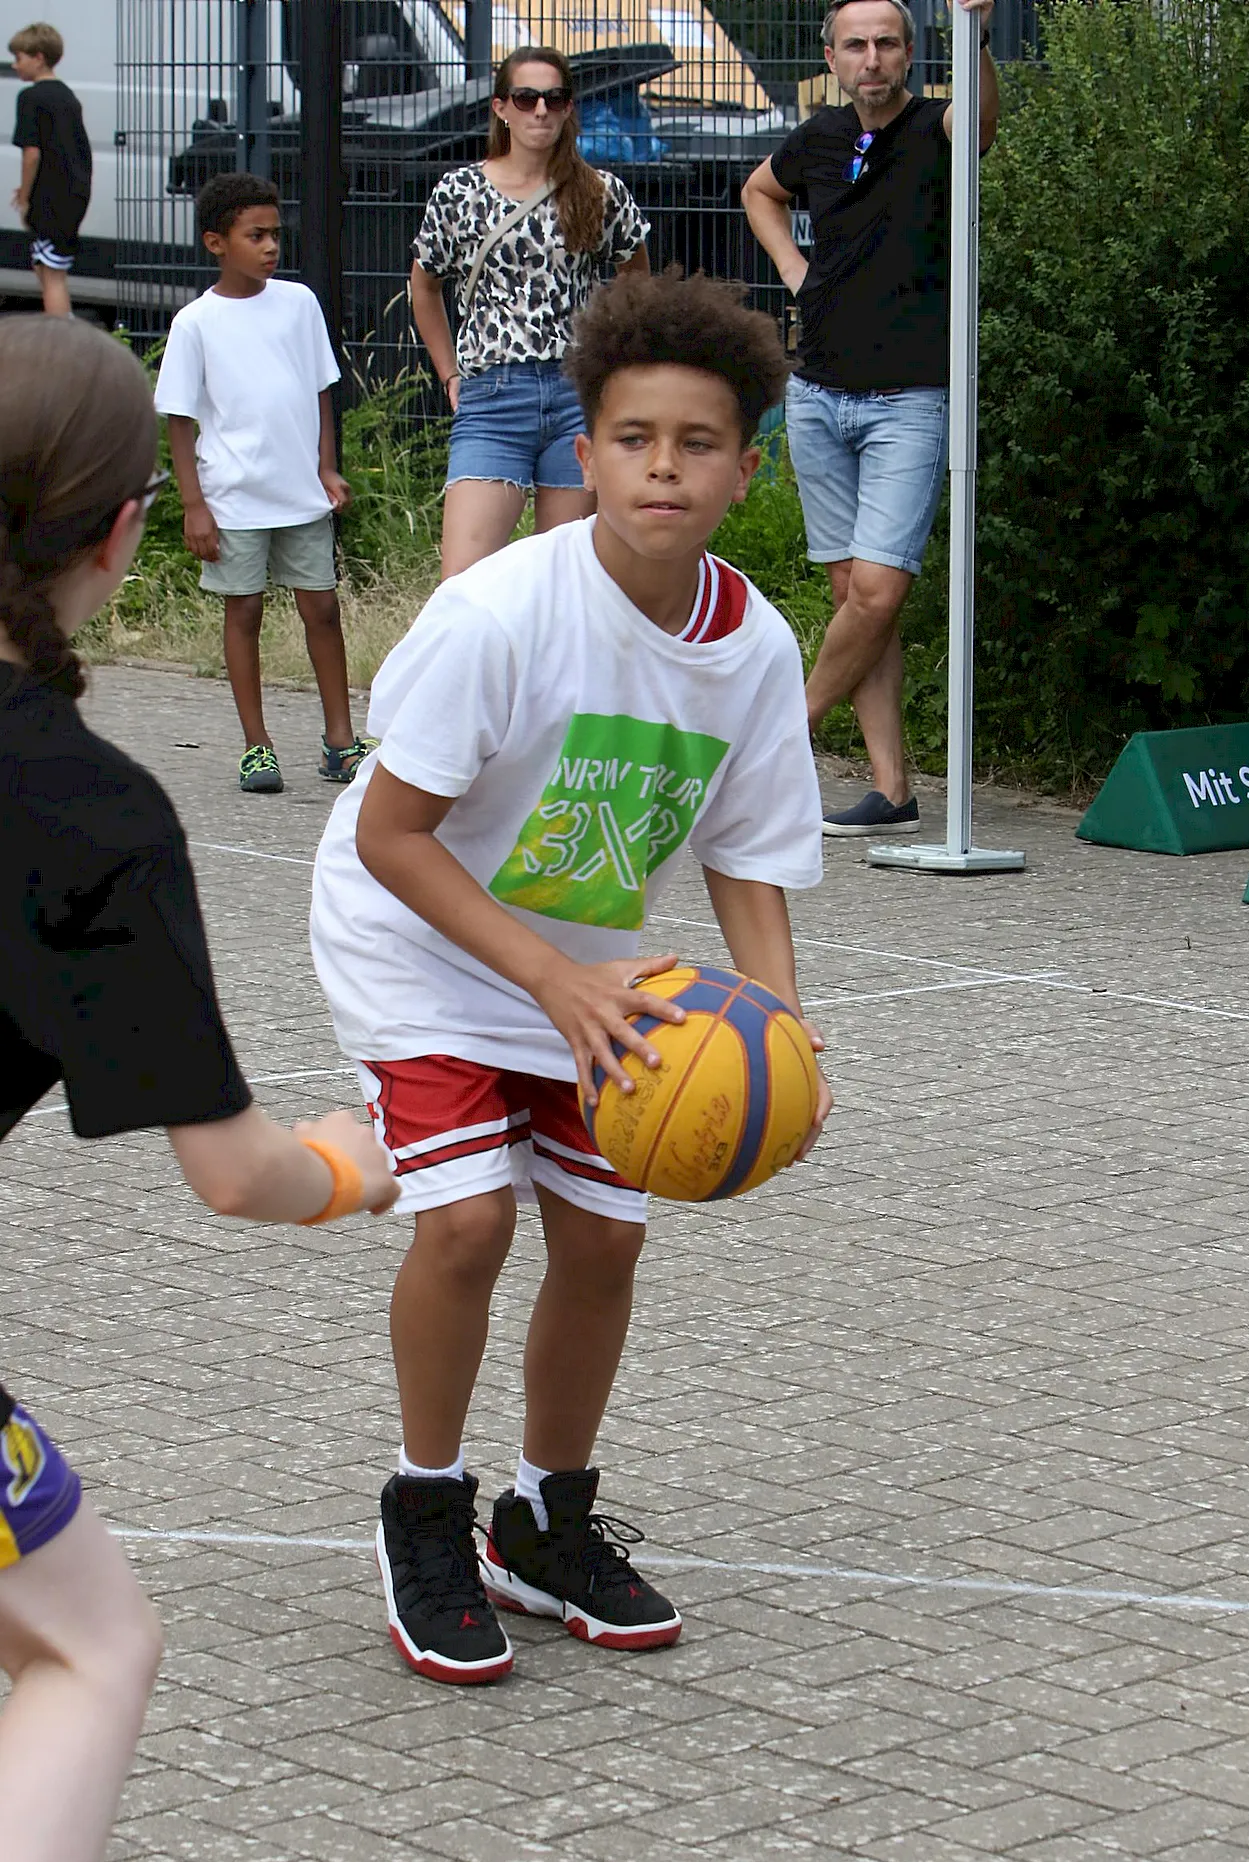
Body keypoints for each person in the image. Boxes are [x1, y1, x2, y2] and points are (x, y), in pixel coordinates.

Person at [310, 268, 832, 1686]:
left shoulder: (755, 647)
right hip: (417, 937)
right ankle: (428, 1508)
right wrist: (547, 980)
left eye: (698, 443)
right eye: (633, 438)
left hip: (587, 966)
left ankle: (543, 1519)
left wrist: (782, 1031)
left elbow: (746, 856)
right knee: (469, 1221)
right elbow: (391, 835)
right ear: (585, 452)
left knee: (605, 1240)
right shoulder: (501, 614)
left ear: (745, 467)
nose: (663, 467)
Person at [0, 313, 399, 1862]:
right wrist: (358, 1166)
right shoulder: (85, 811)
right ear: (122, 534)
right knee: (90, 1646)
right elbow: (236, 1174)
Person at [742, 0, 998, 838]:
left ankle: (780, 735)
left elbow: (982, 122)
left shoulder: (936, 127)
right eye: (856, 45)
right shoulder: (817, 137)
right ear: (832, 58)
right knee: (857, 595)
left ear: (911, 53)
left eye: (887, 43)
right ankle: (891, 790)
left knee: (880, 590)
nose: (872, 58)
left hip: (910, 398)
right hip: (819, 394)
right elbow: (758, 191)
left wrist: (978, 36)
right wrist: (795, 269)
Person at [153, 172, 371, 796]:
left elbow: (321, 391)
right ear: (216, 242)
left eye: (276, 234)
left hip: (299, 493)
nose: (272, 246)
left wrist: (326, 467)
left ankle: (340, 742)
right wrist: (194, 505)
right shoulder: (195, 323)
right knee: (244, 610)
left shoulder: (299, 304)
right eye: (256, 236)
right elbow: (179, 419)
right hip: (233, 499)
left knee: (321, 609)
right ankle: (258, 747)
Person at [409, 44, 650, 580]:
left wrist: (615, 362)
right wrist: (449, 372)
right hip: (493, 395)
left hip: (575, 394)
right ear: (501, 108)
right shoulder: (460, 192)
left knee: (563, 580)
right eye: (526, 98)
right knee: (463, 582)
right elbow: (423, 286)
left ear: (568, 109)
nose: (541, 110)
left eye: (554, 99)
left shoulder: (598, 191)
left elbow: (637, 280)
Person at [7, 20, 90, 318]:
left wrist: (25, 196)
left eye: (19, 58)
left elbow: (32, 154)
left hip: (50, 201)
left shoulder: (30, 98)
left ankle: (60, 336)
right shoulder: (67, 97)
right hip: (72, 196)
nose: (14, 65)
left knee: (52, 276)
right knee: (45, 266)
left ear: (38, 57)